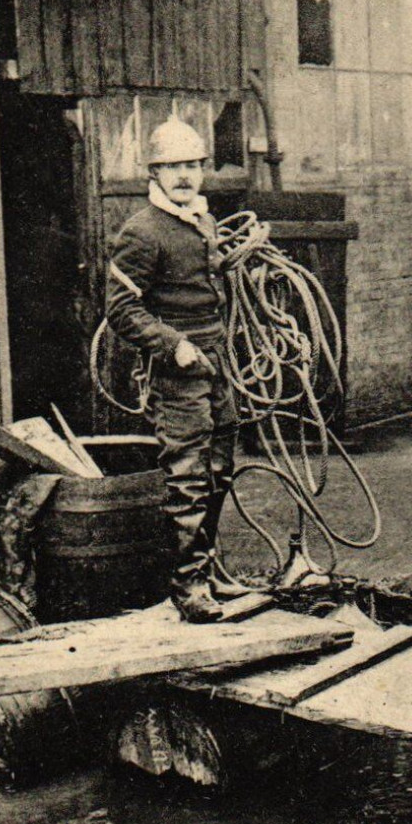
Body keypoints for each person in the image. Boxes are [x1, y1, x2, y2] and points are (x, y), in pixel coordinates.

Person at [106, 118, 238, 623]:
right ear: (154, 173)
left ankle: (206, 569)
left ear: (202, 170)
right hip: (178, 371)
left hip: (217, 367)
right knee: (187, 477)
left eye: (191, 165)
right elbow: (121, 310)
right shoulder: (141, 232)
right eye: (171, 167)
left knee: (220, 469)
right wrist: (172, 345)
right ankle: (188, 587)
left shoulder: (202, 221)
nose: (183, 175)